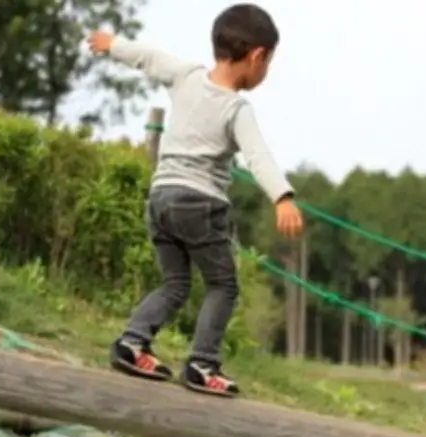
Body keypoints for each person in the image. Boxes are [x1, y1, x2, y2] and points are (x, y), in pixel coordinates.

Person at [87, 3, 303, 397]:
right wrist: (282, 197)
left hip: (161, 197)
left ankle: (132, 343)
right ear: (257, 56)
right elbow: (258, 156)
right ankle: (203, 364)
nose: (265, 72)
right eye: (268, 63)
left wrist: (111, 44)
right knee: (223, 285)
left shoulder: (186, 75)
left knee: (176, 283)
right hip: (198, 204)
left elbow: (148, 58)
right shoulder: (237, 108)